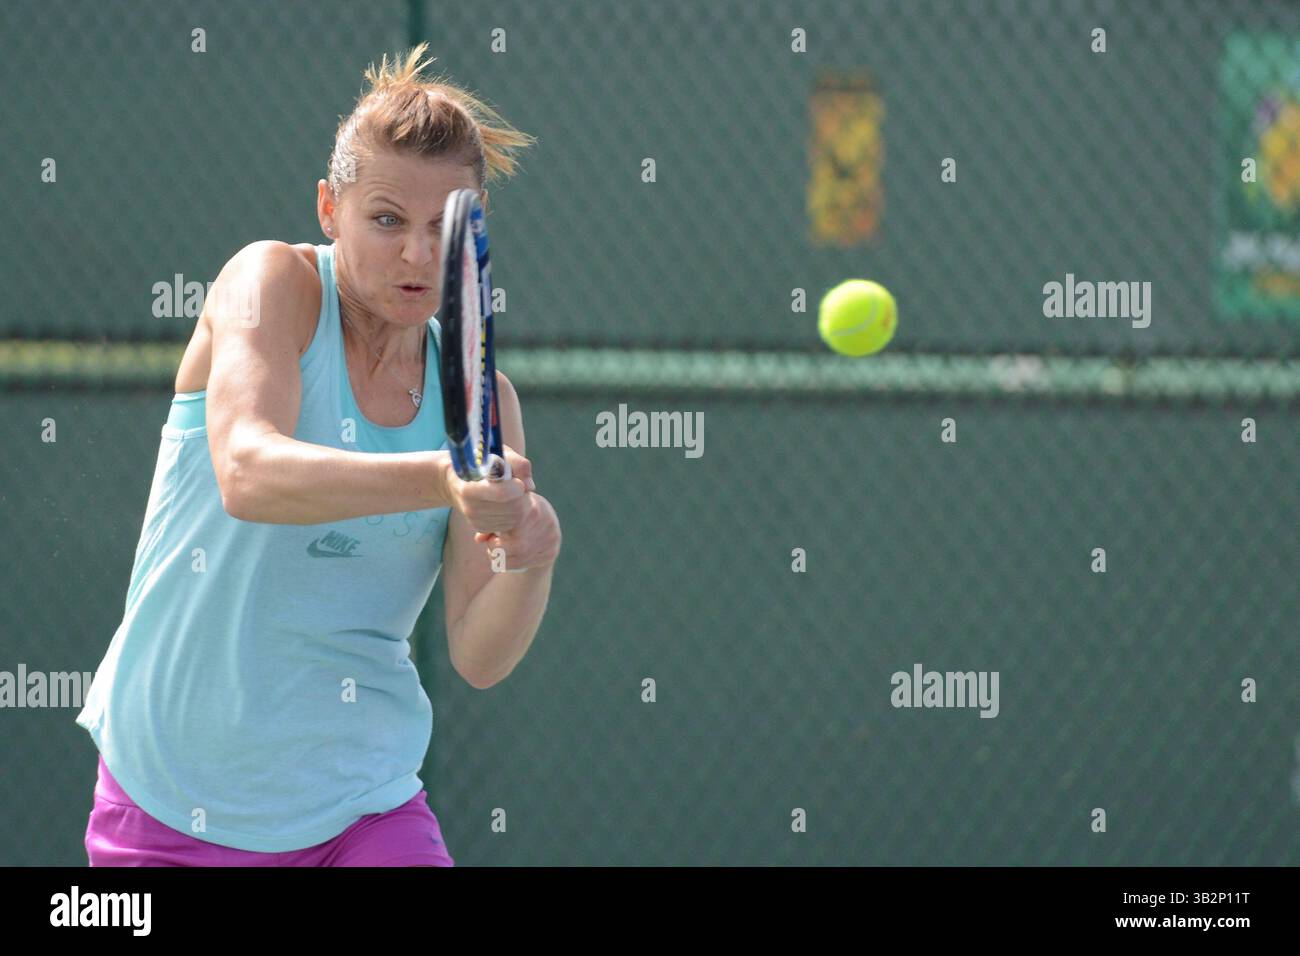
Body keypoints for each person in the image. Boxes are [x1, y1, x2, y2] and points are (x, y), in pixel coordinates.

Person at [75, 45, 561, 866]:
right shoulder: (270, 284)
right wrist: (440, 477)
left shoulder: (483, 402)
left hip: (362, 805)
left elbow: (479, 656)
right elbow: (248, 471)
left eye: (442, 227)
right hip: (168, 800)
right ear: (329, 209)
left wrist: (530, 556)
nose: (415, 254)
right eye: (385, 219)